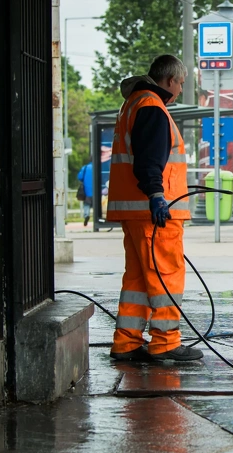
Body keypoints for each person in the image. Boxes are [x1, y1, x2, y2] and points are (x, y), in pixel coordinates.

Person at [107, 54, 202, 363]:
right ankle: (165, 341)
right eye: (181, 84)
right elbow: (150, 160)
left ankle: (127, 342)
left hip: (136, 212)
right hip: (156, 213)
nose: (179, 92)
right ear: (170, 80)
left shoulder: (132, 104)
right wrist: (157, 195)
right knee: (166, 275)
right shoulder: (152, 107)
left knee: (136, 279)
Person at [77, 161, 94, 227]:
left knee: (86, 204)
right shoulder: (99, 167)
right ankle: (98, 217)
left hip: (87, 191)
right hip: (97, 192)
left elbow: (79, 177)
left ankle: (86, 215)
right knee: (97, 205)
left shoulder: (85, 167)